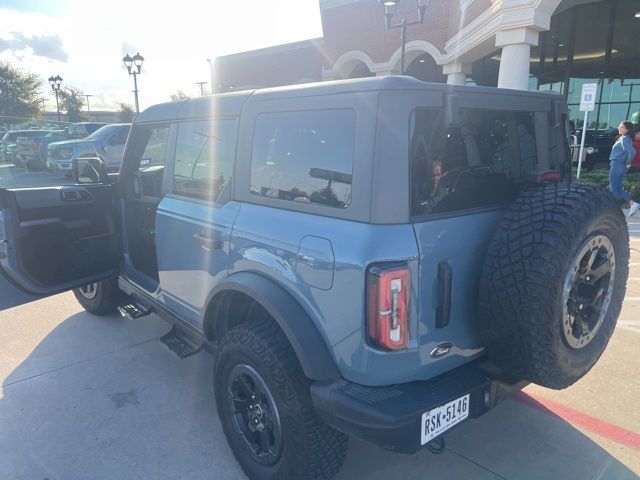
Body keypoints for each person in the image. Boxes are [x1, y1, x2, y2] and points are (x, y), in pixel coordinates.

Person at [609, 121, 638, 216]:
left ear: (627, 129)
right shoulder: (625, 138)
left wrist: (628, 163)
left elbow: (632, 152)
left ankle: (613, 209)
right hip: (619, 165)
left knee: (613, 187)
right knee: (617, 187)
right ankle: (633, 203)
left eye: (621, 127)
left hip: (617, 164)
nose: (619, 128)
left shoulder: (624, 139)